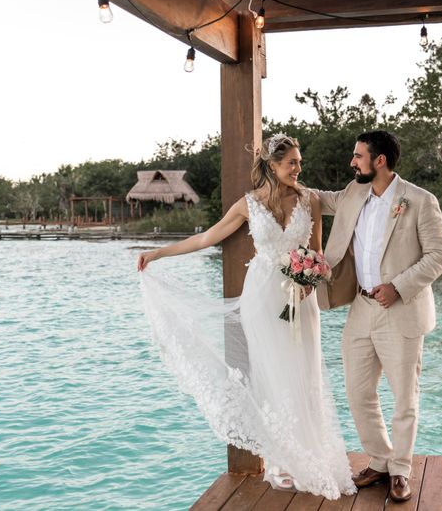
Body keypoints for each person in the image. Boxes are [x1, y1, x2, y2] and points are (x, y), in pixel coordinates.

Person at [137, 134, 356, 499]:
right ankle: (282, 460)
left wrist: (311, 277)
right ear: (272, 166)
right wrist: (158, 253)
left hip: (301, 299)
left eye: (300, 162)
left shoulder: (310, 201)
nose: (298, 168)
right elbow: (207, 237)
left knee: (305, 370)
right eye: (292, 163)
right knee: (271, 373)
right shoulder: (248, 205)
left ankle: (311, 452)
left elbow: (316, 251)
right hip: (262, 298)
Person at [315, 130, 442, 503]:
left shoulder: (420, 201)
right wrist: (280, 178)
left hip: (401, 309)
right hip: (361, 308)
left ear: (380, 161)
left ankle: (401, 471)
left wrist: (399, 286)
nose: (352, 162)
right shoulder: (354, 193)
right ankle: (379, 459)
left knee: (405, 398)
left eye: (358, 156)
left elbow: (439, 255)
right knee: (358, 393)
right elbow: (317, 199)